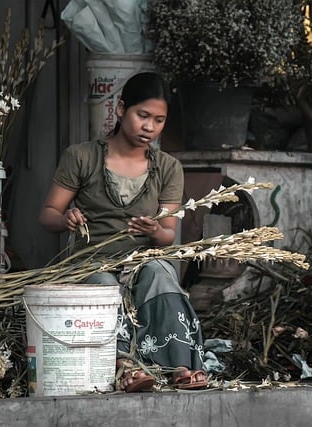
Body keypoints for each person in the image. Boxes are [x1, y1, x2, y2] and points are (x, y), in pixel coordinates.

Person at [39, 72, 207, 392]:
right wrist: (66, 218)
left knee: (161, 274)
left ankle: (179, 366)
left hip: (143, 260)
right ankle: (124, 368)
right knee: (103, 287)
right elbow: (48, 214)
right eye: (142, 115)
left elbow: (168, 235)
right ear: (120, 109)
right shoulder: (82, 156)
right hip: (94, 261)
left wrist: (155, 230)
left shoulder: (168, 167)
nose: (149, 127)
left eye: (159, 120)